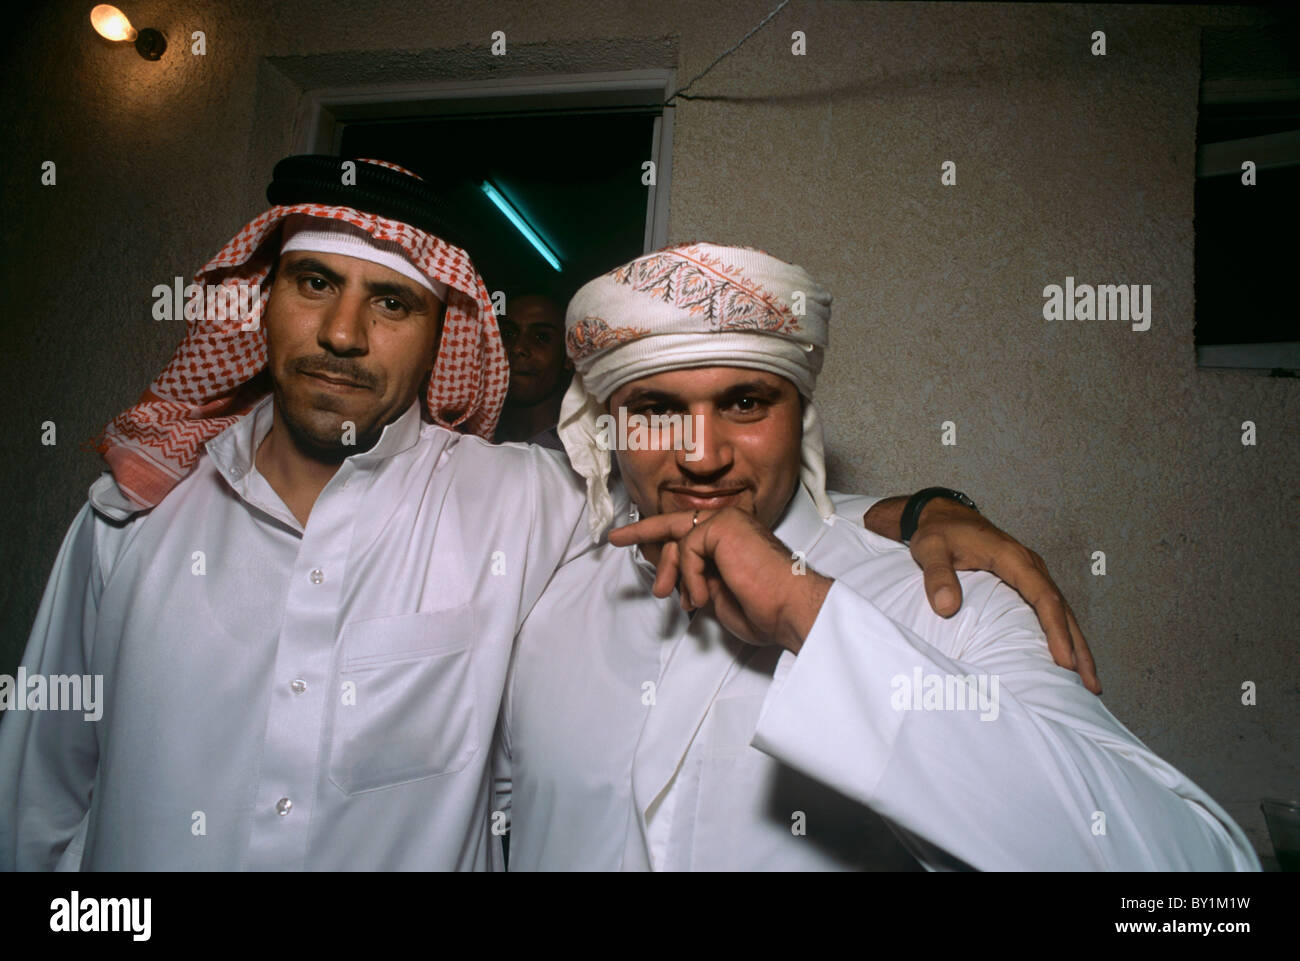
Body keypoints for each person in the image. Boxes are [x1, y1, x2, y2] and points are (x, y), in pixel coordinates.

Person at [0, 158, 1092, 871]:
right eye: (312, 284)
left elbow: (714, 496)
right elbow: (41, 799)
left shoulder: (520, 503)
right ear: (258, 299)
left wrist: (915, 512)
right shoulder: (129, 519)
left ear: (440, 335)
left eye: (391, 301)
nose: (342, 332)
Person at [494, 242, 1259, 871]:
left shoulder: (944, 597)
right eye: (657, 410)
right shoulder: (549, 601)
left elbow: (1200, 879)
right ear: (609, 430)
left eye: (745, 402)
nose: (702, 454)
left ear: (801, 417)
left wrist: (813, 618)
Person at [493, 294, 571, 449]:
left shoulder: (587, 452)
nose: (518, 348)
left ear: (569, 356)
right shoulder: (468, 435)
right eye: (508, 334)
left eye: (541, 337)